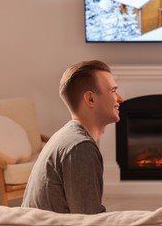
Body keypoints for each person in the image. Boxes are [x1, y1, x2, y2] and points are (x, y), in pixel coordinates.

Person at [22, 60, 124, 214]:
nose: (120, 98)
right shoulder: (80, 147)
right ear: (90, 99)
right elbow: (89, 221)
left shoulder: (67, 135)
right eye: (113, 91)